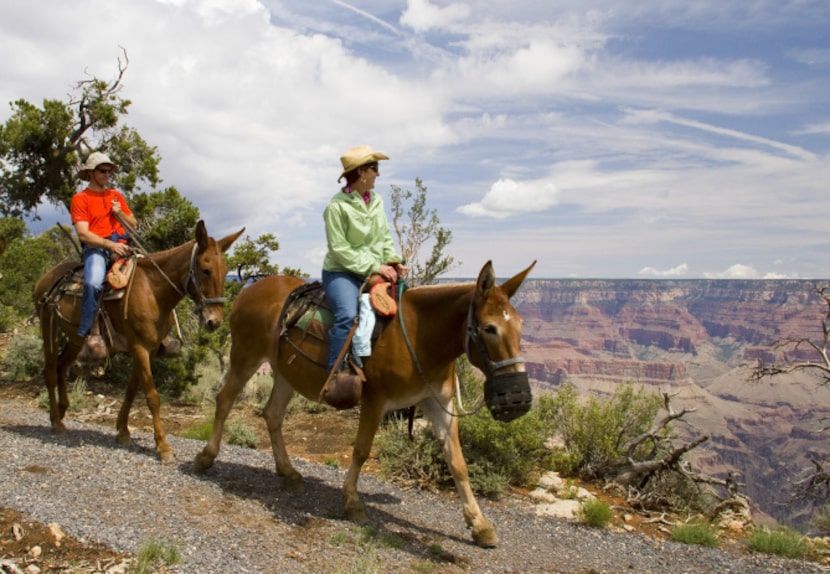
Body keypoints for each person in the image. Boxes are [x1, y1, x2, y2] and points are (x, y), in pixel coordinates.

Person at [322, 145, 408, 390]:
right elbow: (340, 250)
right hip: (342, 272)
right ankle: (334, 377)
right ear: (361, 172)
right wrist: (375, 266)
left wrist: (393, 262)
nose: (378, 174)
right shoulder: (336, 207)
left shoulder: (377, 201)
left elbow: (383, 236)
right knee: (347, 317)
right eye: (374, 168)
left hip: (374, 268)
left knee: (404, 306)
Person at [70, 151, 137, 362]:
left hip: (123, 244)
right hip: (97, 247)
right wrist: (110, 245)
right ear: (91, 172)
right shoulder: (80, 199)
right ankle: (89, 333)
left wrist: (120, 214)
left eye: (109, 171)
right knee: (92, 283)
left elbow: (133, 225)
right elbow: (83, 233)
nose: (107, 174)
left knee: (152, 275)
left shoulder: (116, 196)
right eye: (103, 171)